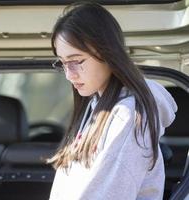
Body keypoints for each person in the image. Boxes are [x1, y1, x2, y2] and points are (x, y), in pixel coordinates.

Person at [48, 2, 178, 200]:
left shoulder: (129, 115)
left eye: (76, 61)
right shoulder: (96, 106)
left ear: (107, 53)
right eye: (63, 63)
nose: (69, 74)